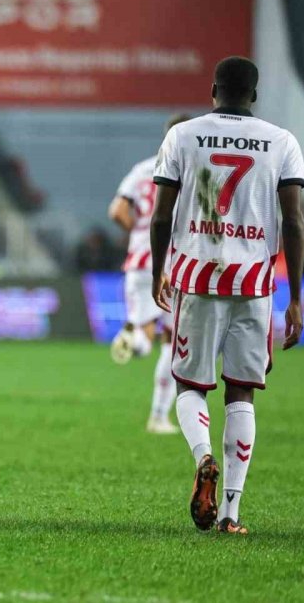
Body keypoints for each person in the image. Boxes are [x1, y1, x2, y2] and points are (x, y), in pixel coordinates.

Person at [150, 56, 304, 535]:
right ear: (253, 95)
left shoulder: (183, 135)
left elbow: (160, 215)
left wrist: (161, 269)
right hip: (254, 284)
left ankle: (203, 458)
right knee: (242, 392)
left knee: (190, 385)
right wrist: (296, 298)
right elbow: (295, 222)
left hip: (198, 275)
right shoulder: (283, 142)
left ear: (214, 89)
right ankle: (232, 514)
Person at [107, 114, 190, 434]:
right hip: (174, 264)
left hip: (139, 260)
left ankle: (133, 337)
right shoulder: (190, 170)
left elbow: (116, 211)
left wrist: (138, 232)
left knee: (145, 332)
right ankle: (157, 416)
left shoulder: (141, 169)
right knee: (172, 344)